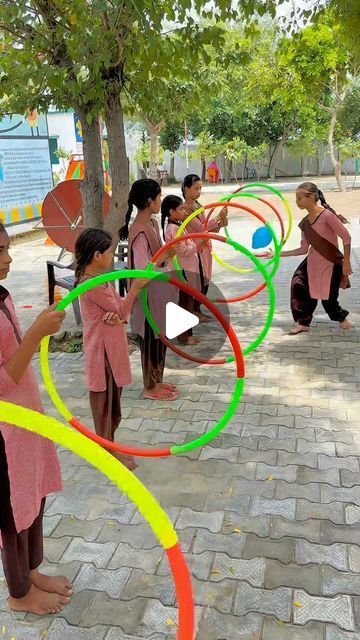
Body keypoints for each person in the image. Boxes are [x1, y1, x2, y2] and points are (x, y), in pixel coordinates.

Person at [0, 222, 73, 615]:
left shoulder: (2, 295)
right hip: (4, 433)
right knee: (12, 513)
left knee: (32, 499)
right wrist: (35, 336)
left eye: (7, 248)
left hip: (26, 420)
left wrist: (36, 332)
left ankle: (31, 572)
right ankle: (18, 593)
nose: (8, 257)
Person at [74, 228, 149, 471]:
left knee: (113, 407)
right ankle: (107, 453)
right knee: (105, 408)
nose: (112, 256)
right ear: (97, 255)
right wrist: (135, 289)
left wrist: (119, 316)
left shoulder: (101, 280)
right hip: (102, 354)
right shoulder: (90, 285)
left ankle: (110, 447)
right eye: (109, 252)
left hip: (112, 350)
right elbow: (122, 309)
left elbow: (118, 310)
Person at [119, 179, 178, 401]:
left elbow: (159, 256)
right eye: (159, 196)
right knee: (151, 341)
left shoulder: (152, 224)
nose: (161, 201)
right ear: (150, 200)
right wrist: (165, 256)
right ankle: (150, 386)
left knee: (160, 338)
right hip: (146, 295)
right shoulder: (139, 231)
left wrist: (168, 254)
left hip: (159, 291)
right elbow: (143, 269)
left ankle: (158, 380)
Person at [271, 182, 352, 335]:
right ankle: (303, 322)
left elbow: (346, 238)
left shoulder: (327, 216)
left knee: (329, 299)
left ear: (311, 197)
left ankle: (341, 317)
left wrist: (346, 263)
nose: (297, 202)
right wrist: (278, 253)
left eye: (299, 198)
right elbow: (303, 249)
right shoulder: (305, 223)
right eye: (296, 199)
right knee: (298, 284)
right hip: (311, 262)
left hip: (330, 262)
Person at [161, 194, 207, 346]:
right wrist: (196, 244)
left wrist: (197, 246)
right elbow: (182, 252)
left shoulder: (178, 226)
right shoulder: (173, 229)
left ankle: (187, 335)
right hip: (182, 272)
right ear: (171, 212)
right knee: (184, 305)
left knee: (186, 303)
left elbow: (187, 247)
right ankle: (184, 337)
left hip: (186, 271)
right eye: (180, 209)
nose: (184, 212)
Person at [182, 174, 228, 322]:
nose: (199, 191)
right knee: (198, 279)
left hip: (206, 247)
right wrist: (217, 217)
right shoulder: (184, 210)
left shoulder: (199, 206)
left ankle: (198, 309)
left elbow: (209, 229)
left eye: (200, 188)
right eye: (196, 188)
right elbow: (201, 227)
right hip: (195, 249)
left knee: (206, 278)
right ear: (186, 189)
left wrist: (221, 222)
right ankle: (194, 310)